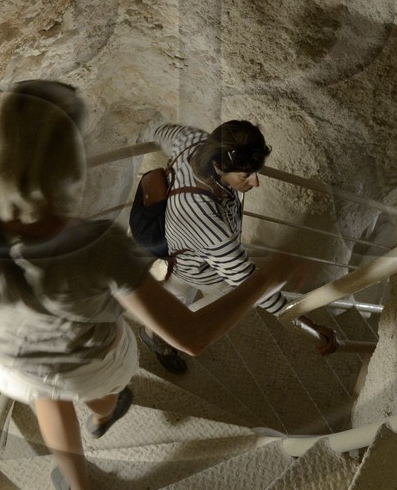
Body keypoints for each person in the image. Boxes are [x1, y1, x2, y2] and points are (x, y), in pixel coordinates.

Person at [0, 81, 299, 490]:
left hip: (13, 361)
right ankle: (106, 410)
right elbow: (192, 336)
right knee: (96, 384)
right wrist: (266, 279)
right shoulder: (101, 246)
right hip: (93, 362)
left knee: (48, 394)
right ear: (70, 165)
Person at [138, 120, 338, 370]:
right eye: (246, 175)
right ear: (218, 166)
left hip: (179, 256)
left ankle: (154, 335)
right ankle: (159, 339)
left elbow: (163, 131)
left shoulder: (195, 143)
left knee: (173, 303)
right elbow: (250, 285)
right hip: (202, 269)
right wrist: (308, 326)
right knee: (227, 305)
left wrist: (148, 130)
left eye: (256, 172)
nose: (255, 183)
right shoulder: (207, 223)